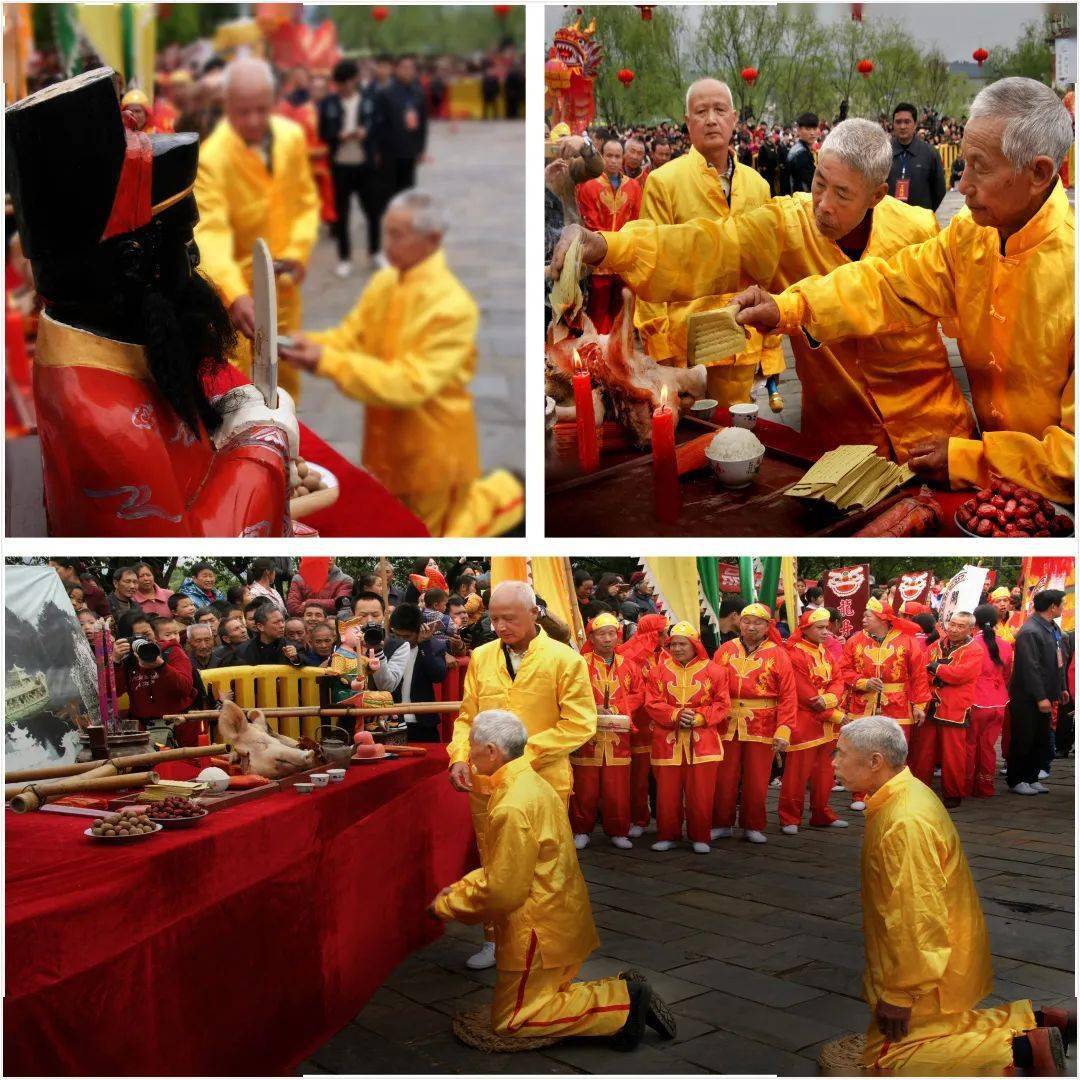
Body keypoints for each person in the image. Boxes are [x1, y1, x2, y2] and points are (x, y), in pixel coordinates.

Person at [733, 79, 1074, 503]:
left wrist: (971, 459)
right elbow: (888, 284)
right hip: (991, 490)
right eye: (963, 164)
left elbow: (1072, 461)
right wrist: (789, 307)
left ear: (1039, 172)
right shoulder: (970, 236)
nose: (962, 185)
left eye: (979, 167)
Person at [554, 118, 972, 461]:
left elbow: (957, 324)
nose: (822, 203)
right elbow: (707, 245)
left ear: (877, 196)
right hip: (840, 443)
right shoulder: (787, 226)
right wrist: (608, 246)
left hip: (933, 433)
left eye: (842, 194)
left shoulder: (918, 227)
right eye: (820, 182)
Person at [834, 715, 1070, 1075]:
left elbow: (917, 914)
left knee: (886, 1061)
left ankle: (1020, 1051)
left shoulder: (904, 821)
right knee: (933, 1031)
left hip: (928, 967)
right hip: (936, 957)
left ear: (875, 762)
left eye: (840, 754)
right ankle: (1035, 1021)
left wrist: (901, 993)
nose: (833, 763)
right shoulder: (904, 793)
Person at [280, 190, 524, 536]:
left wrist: (329, 361)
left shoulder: (452, 304)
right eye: (387, 232)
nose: (387, 243)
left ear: (433, 240)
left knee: (429, 533)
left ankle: (506, 499)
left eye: (398, 234)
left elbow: (411, 384)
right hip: (385, 447)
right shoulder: (385, 282)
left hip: (432, 456)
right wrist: (307, 344)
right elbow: (352, 337)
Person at [430, 709, 675, 1048]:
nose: (467, 755)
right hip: (560, 918)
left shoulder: (511, 804)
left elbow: (504, 890)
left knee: (513, 1021)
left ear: (491, 751)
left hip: (537, 932)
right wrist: (464, 888)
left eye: (471, 747)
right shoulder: (531, 782)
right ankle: (618, 994)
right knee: (538, 998)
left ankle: (621, 1003)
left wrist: (450, 903)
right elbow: (510, 867)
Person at [447, 581, 597, 971]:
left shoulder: (564, 659)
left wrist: (517, 756)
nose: (500, 626)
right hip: (488, 784)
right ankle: (496, 940)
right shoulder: (481, 657)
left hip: (542, 780)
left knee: (545, 861)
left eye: (509, 618)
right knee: (496, 861)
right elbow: (467, 717)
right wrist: (460, 756)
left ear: (534, 614)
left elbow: (580, 723)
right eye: (494, 618)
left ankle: (545, 940)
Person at [630, 81, 783, 412]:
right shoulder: (664, 183)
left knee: (738, 438)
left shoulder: (758, 186)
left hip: (743, 336)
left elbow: (770, 271)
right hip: (688, 347)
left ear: (734, 119)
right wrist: (663, 353)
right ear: (688, 122)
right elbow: (649, 268)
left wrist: (770, 348)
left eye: (719, 110)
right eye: (701, 112)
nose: (711, 119)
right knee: (691, 439)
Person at [194, 58, 319, 403]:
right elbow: (211, 233)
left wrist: (297, 251)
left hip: (286, 288)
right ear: (227, 106)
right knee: (247, 393)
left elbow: (306, 202)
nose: (253, 121)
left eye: (261, 110)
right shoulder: (212, 158)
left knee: (287, 387)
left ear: (275, 101)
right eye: (242, 111)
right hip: (243, 299)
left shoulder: (292, 138)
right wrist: (235, 294)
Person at [712, 604, 796, 844]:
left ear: (767, 626)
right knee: (724, 776)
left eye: (757, 622)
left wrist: (784, 729)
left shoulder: (778, 654)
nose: (751, 626)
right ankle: (721, 823)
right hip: (727, 722)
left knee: (757, 778)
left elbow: (789, 695)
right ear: (740, 623)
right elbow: (712, 684)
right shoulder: (725, 650)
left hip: (763, 723)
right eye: (747, 621)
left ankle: (753, 824)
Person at [643, 622, 729, 853]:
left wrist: (700, 718)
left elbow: (722, 704)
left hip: (703, 741)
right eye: (673, 644)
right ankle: (668, 834)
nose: (677, 648)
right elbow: (652, 703)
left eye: (683, 643)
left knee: (701, 791)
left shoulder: (715, 671)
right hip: (667, 739)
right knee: (667, 792)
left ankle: (700, 835)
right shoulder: (657, 671)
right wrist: (675, 714)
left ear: (695, 645)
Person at [839, 597, 930, 810]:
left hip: (897, 703)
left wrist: (919, 705)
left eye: (868, 616)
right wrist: (862, 682)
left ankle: (894, 793)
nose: (863, 619)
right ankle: (860, 795)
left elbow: (918, 675)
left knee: (894, 751)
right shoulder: (855, 640)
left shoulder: (907, 640)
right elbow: (842, 670)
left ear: (882, 619)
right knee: (862, 750)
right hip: (864, 702)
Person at [570, 613, 645, 851]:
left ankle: (618, 830)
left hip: (618, 736)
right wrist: (592, 709)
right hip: (587, 736)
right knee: (585, 788)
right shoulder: (580, 664)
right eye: (602, 634)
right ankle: (581, 829)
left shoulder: (629, 666)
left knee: (617, 789)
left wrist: (615, 708)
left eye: (612, 633)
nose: (607, 639)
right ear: (591, 637)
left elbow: (639, 694)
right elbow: (570, 694)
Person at [780, 608, 848, 833]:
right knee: (796, 773)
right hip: (804, 721)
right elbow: (805, 694)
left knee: (825, 772)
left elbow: (838, 680)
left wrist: (828, 700)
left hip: (826, 721)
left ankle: (822, 813)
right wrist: (833, 711)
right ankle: (790, 817)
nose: (825, 632)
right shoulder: (794, 653)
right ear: (805, 629)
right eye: (820, 627)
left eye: (826, 627)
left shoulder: (825, 652)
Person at [910, 611, 982, 808]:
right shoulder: (937, 644)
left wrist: (938, 670)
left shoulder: (974, 649)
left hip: (955, 708)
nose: (954, 629)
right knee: (923, 751)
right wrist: (938, 674)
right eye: (952, 624)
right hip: (930, 703)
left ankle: (953, 793)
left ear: (970, 629)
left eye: (961, 626)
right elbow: (922, 669)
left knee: (953, 754)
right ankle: (919, 789)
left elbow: (962, 675)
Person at [319, 59, 384, 277]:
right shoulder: (328, 104)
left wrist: (367, 133)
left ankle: (375, 252)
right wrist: (338, 136)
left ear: (355, 80)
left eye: (349, 82)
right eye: (341, 83)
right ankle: (344, 258)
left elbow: (379, 125)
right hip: (340, 165)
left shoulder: (369, 100)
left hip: (364, 163)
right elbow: (323, 133)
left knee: (373, 211)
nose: (345, 87)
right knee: (342, 215)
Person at [575, 139, 643, 333]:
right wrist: (606, 249)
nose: (613, 160)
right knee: (598, 314)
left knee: (623, 313)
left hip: (625, 262)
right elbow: (591, 223)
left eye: (617, 156)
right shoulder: (589, 186)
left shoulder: (634, 187)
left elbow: (638, 221)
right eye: (609, 156)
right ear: (602, 157)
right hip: (599, 263)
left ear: (623, 158)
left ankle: (620, 356)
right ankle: (596, 357)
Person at [1008, 590, 1067, 795]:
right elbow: (1029, 667)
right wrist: (1040, 696)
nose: (1063, 607)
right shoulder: (1030, 631)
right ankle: (1017, 779)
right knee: (1024, 737)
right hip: (1028, 696)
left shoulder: (1052, 628)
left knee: (1040, 737)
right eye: (1062, 604)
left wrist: (1061, 689)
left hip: (1047, 693)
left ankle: (1031, 777)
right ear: (1053, 606)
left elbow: (1058, 661)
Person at [380, 603, 449, 740]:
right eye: (397, 635)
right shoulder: (385, 647)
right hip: (391, 720)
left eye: (406, 637)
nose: (401, 641)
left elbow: (438, 676)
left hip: (423, 722)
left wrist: (424, 645)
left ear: (420, 630)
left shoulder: (434, 646)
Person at [969, 604, 1013, 798]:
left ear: (974, 622)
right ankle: (986, 786)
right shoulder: (1005, 644)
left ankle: (966, 785)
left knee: (970, 745)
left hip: (976, 699)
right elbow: (1006, 674)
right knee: (988, 746)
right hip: (999, 700)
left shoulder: (971, 644)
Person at [375, 55, 428, 198]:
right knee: (389, 191)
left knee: (408, 190)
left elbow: (422, 123)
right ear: (395, 70)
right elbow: (379, 125)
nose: (408, 72)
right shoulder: (385, 94)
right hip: (390, 152)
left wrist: (422, 148)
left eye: (411, 68)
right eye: (404, 68)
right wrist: (377, 150)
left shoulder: (418, 93)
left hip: (409, 150)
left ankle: (405, 219)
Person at [888, 102, 946, 211]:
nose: (902, 126)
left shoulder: (930, 153)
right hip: (889, 221)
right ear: (893, 124)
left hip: (920, 222)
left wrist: (926, 213)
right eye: (898, 122)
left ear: (915, 124)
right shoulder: (883, 153)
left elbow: (939, 190)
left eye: (907, 122)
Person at [236, 605, 303, 667]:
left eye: (282, 621)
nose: (282, 625)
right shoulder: (244, 650)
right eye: (276, 622)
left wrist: (295, 658)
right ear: (260, 626)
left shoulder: (294, 647)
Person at [286, 561, 354, 616]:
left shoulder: (345, 580)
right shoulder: (298, 578)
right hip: (304, 626)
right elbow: (293, 608)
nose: (329, 558)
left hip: (332, 627)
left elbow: (341, 606)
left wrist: (308, 602)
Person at [784, 112, 818, 194]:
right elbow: (811, 183)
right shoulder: (800, 154)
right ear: (799, 130)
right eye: (808, 129)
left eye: (814, 129)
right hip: (800, 200)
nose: (812, 133)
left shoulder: (802, 149)